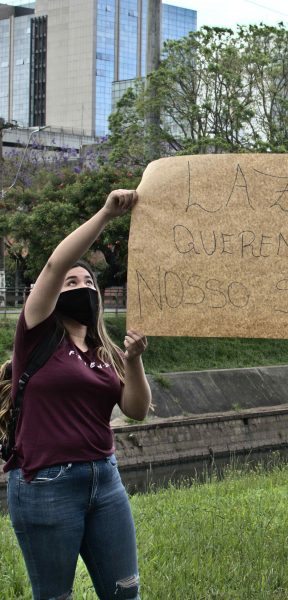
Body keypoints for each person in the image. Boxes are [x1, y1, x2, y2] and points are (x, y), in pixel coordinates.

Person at [3, 189, 152, 600]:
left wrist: (134, 360)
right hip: (45, 483)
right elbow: (56, 262)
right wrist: (106, 214)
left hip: (104, 479)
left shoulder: (104, 351)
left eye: (88, 281)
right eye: (72, 281)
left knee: (125, 593)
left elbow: (136, 410)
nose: (81, 285)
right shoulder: (35, 335)